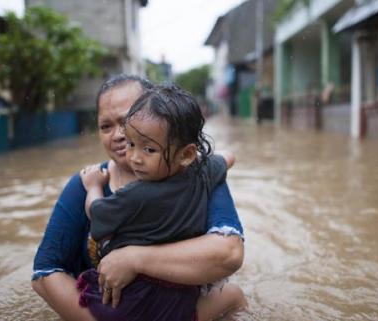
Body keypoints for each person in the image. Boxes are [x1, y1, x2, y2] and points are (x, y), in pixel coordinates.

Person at [31, 75, 246, 321]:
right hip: (119, 312)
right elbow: (44, 273)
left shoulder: (197, 176)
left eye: (127, 121)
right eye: (105, 126)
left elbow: (228, 253)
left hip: (176, 309)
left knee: (234, 296)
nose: (118, 135)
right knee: (233, 295)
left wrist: (134, 259)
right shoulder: (82, 184)